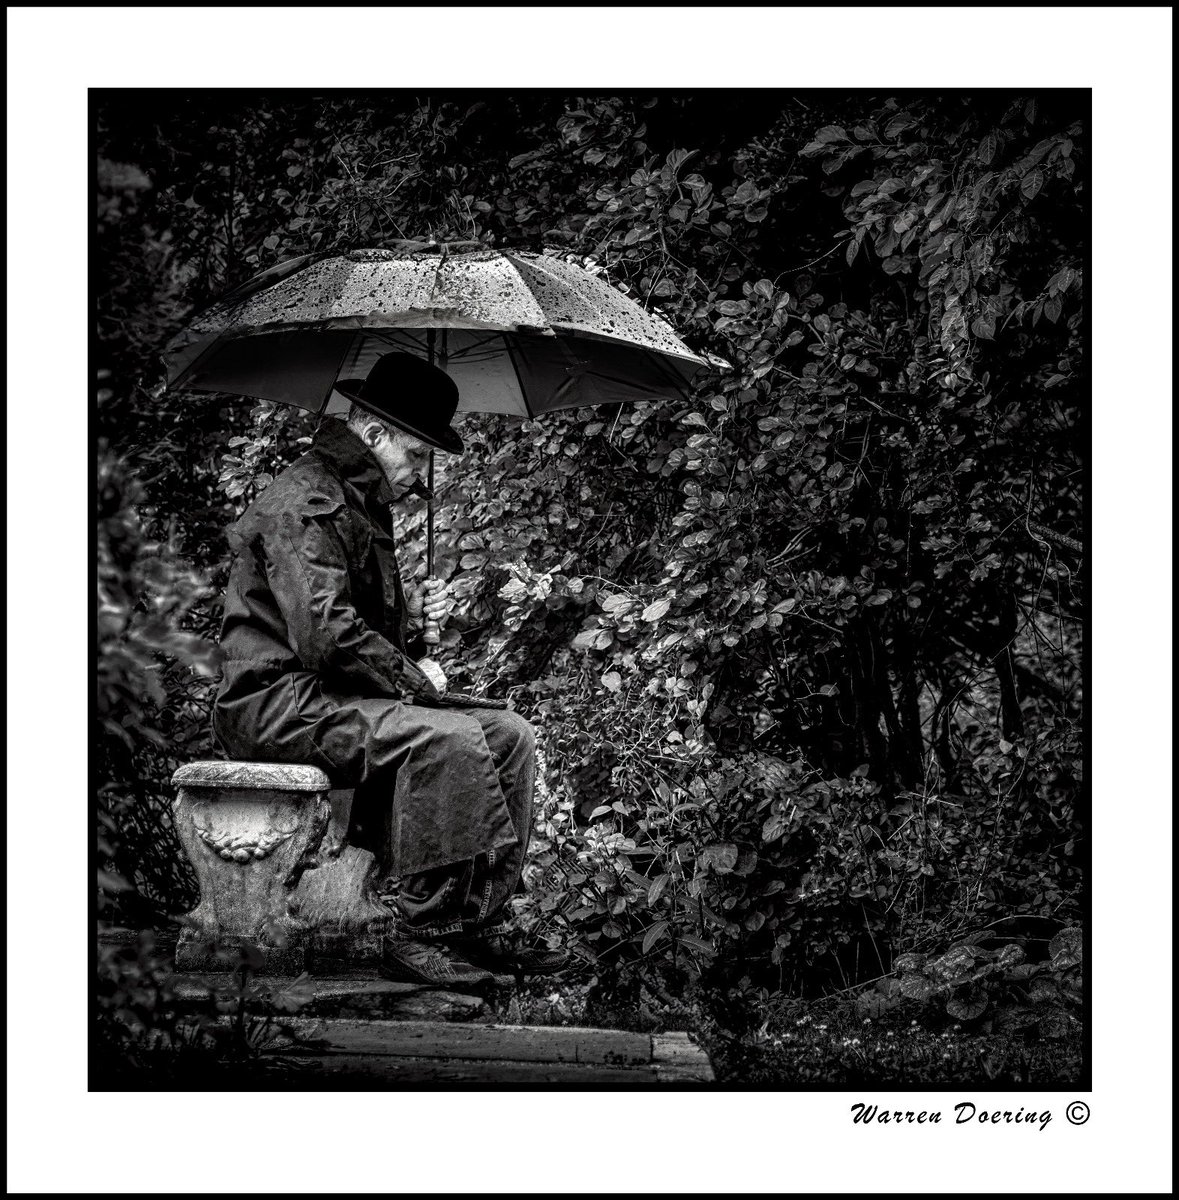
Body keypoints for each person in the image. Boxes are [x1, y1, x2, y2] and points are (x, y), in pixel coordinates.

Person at [212, 351, 567, 987]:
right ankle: (420, 928)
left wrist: (412, 626)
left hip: (329, 694)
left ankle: (474, 921)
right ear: (374, 434)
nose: (422, 476)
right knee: (446, 740)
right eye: (418, 454)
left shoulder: (354, 502)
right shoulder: (307, 504)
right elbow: (326, 640)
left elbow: (353, 632)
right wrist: (414, 681)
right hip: (274, 705)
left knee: (509, 734)